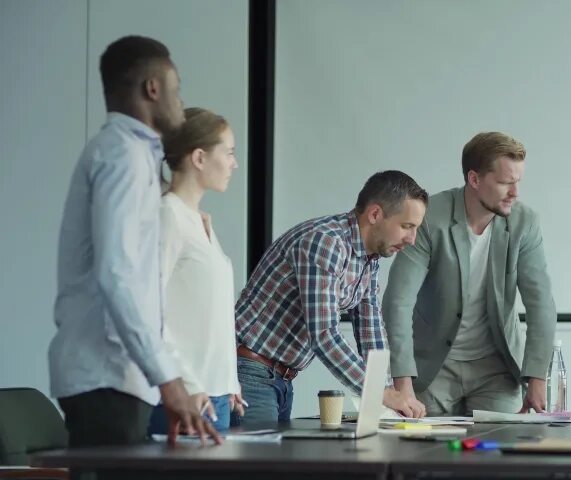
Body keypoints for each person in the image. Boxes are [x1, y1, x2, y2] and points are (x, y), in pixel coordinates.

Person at [49, 35, 220, 453]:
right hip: (105, 376)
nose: (180, 103)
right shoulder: (122, 155)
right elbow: (118, 276)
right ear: (153, 89)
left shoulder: (134, 155)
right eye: (176, 90)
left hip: (118, 377)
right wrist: (168, 379)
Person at [232, 170, 429, 425]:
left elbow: (371, 330)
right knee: (259, 463)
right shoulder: (326, 242)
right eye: (407, 226)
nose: (412, 240)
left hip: (280, 378)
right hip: (250, 372)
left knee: (274, 462)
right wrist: (380, 393)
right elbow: (324, 334)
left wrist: (389, 396)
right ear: (375, 214)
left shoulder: (369, 258)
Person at [383, 132, 557, 416]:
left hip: (496, 369)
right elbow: (397, 302)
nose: (515, 193)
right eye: (505, 183)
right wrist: (402, 381)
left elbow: (541, 305)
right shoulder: (429, 218)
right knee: (421, 454)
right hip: (433, 367)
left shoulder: (525, 222)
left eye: (518, 182)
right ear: (474, 179)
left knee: (497, 453)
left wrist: (537, 379)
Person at [146, 107, 243, 435]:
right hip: (185, 396)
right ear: (199, 158)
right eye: (228, 153)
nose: (234, 164)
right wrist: (185, 384)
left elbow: (210, 312)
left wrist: (229, 380)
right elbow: (149, 311)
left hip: (214, 395)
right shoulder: (168, 215)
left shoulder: (199, 220)